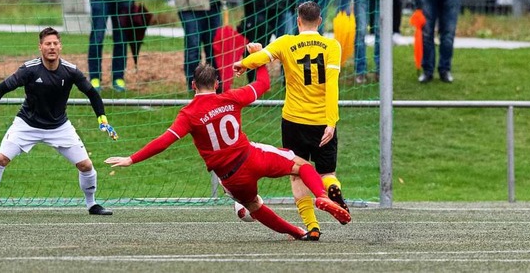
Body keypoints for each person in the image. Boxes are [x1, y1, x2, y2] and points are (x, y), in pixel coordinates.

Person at [105, 60, 351, 241]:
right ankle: (320, 194)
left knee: (253, 206)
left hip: (231, 177)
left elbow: (164, 141)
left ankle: (297, 232)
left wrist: (131, 159)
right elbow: (263, 83)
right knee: (303, 166)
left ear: (193, 85)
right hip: (252, 157)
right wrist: (258, 58)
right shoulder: (230, 97)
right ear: (217, 83)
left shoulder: (189, 114)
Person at [0, 27, 117, 216]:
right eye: (48, 44)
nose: (52, 47)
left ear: (60, 46)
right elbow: (1, 89)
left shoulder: (70, 71)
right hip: (27, 125)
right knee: (1, 159)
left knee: (86, 166)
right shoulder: (29, 70)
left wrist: (102, 119)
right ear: (40, 47)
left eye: (55, 43)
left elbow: (92, 93)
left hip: (59, 127)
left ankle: (92, 204)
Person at [233, 1, 350, 241]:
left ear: (298, 21)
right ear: (319, 21)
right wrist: (331, 121)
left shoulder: (286, 42)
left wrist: (242, 64)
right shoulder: (332, 46)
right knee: (327, 171)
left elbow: (262, 57)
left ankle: (313, 226)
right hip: (321, 121)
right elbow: (332, 86)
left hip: (294, 120)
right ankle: (331, 189)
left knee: (297, 174)